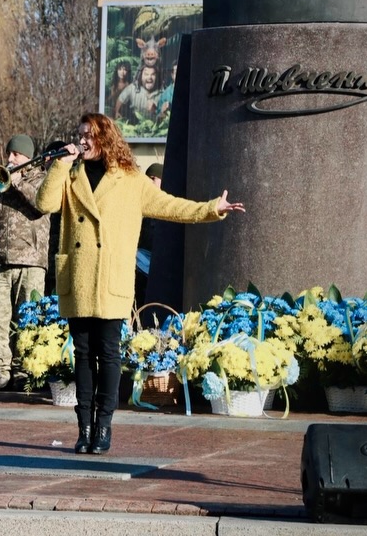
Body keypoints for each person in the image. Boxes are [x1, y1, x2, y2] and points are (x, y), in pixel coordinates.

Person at [35, 113, 245, 455]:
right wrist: (60, 164)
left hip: (111, 279)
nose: (82, 140)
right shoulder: (70, 174)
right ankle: (83, 426)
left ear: (105, 138)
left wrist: (212, 208)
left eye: (88, 135)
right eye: (78, 134)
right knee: (83, 355)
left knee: (109, 354)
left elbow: (171, 207)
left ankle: (103, 426)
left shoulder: (131, 180)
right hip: (78, 277)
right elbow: (43, 203)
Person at [0, 134, 50, 392]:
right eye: (9, 154)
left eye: (16, 155)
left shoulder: (40, 179)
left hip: (30, 260)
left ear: (28, 157)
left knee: (28, 318)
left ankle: (24, 371)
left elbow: (42, 204)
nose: (10, 159)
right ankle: (1, 371)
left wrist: (18, 182)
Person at [135, 162, 163, 307]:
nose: (149, 182)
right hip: (139, 273)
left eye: (153, 178)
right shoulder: (141, 209)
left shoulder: (166, 209)